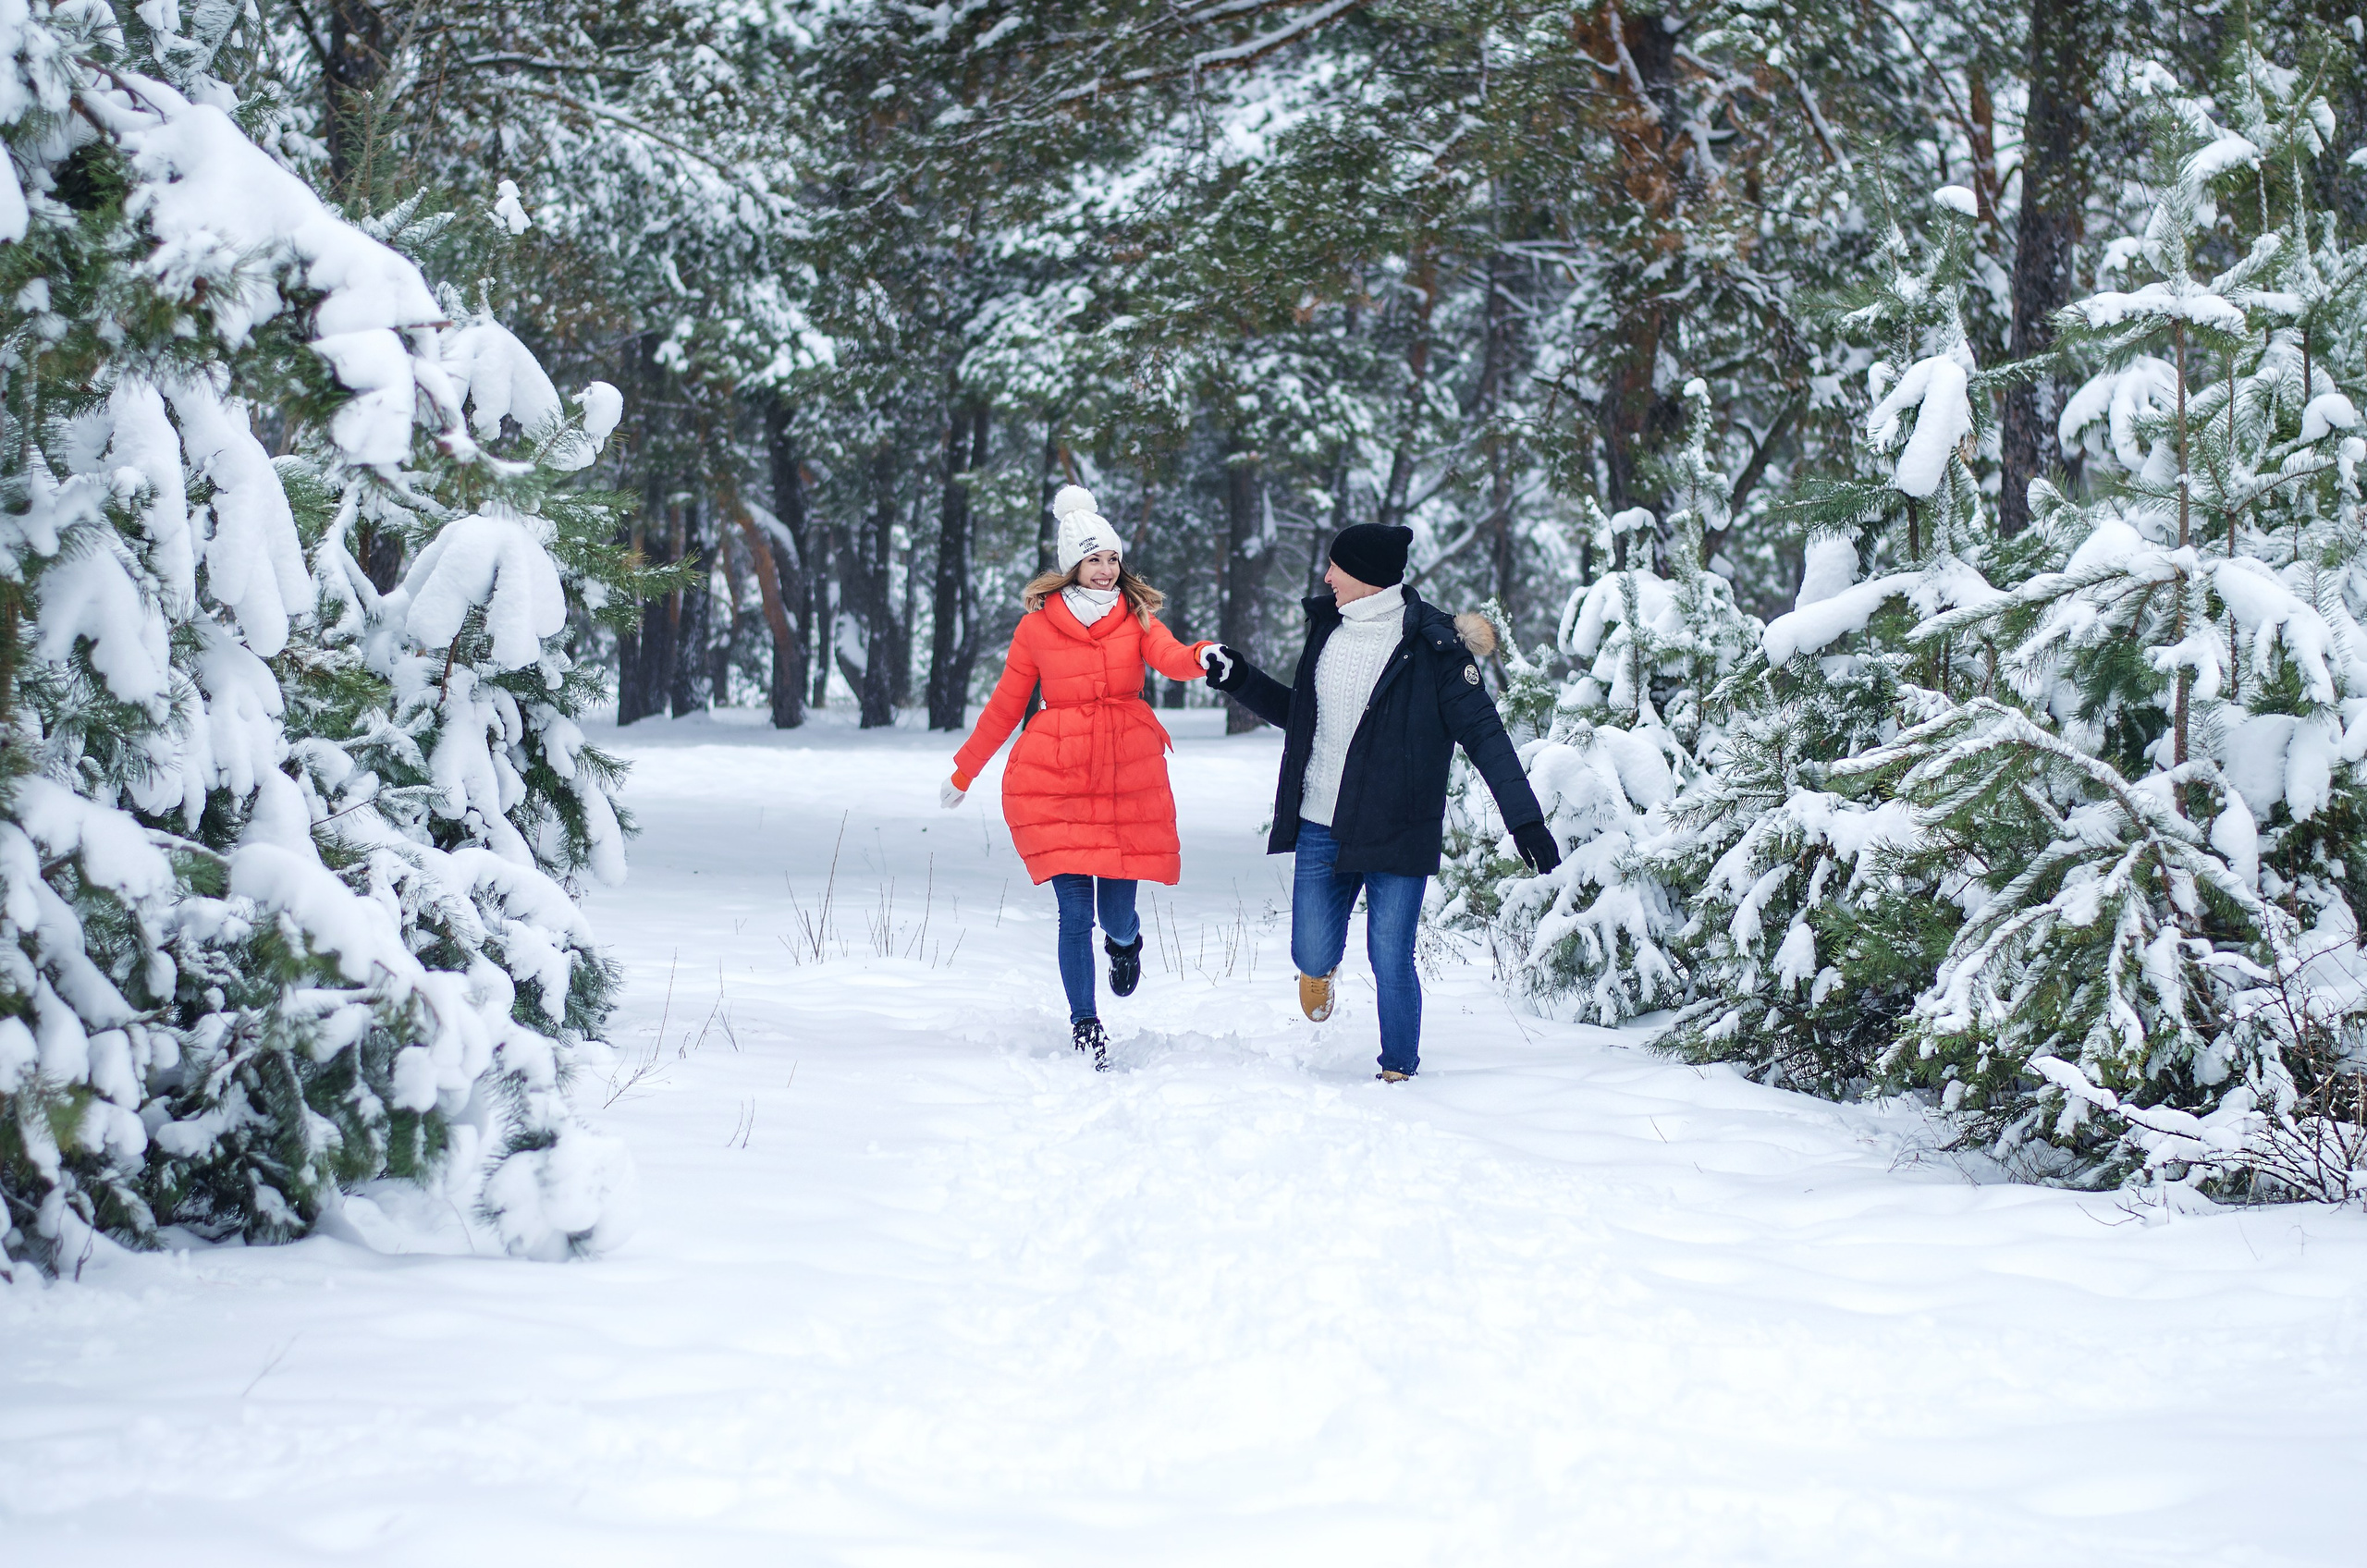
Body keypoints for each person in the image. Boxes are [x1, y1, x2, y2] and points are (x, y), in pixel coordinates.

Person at [1202, 522, 1561, 1082]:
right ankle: (1318, 970)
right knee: (1310, 950)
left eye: (1336, 567)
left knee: (1391, 956)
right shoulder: (1328, 631)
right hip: (1323, 823)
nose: (1326, 577)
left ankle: (1399, 1067)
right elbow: (1302, 716)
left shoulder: (1437, 646)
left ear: (1366, 576)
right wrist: (1241, 679)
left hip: (1398, 829)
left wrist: (1526, 824)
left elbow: (1487, 736)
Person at [941, 484, 1224, 1070]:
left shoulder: (1137, 616)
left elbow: (1170, 655)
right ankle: (1086, 1024)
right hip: (1058, 779)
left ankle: (1126, 944)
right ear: (1073, 564)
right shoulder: (1037, 629)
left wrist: (1200, 656)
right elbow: (1004, 705)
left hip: (1126, 777)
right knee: (1076, 912)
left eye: (1113, 558)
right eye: (1094, 559)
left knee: (1116, 914)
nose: (1105, 570)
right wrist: (965, 770)